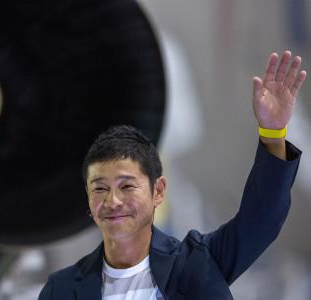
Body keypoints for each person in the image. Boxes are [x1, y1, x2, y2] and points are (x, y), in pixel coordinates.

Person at [38, 50, 307, 300]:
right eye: (100, 188)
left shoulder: (198, 264)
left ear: (157, 191)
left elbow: (262, 218)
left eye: (127, 186)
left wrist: (273, 135)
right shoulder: (60, 289)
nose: (113, 201)